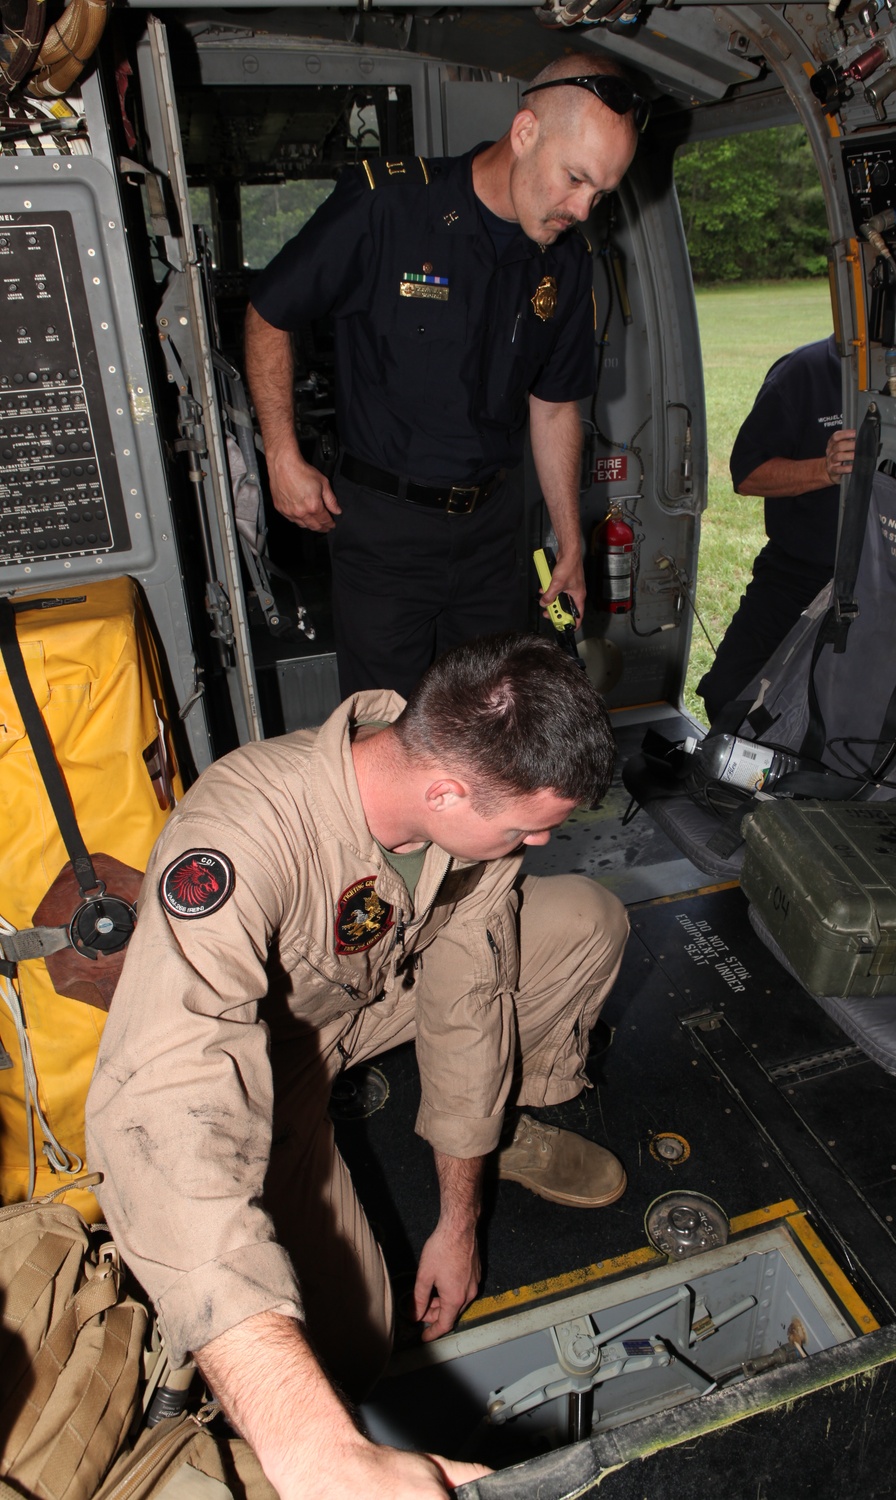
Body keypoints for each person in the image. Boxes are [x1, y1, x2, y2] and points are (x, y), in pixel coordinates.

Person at [86, 632, 630, 1500]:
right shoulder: (242, 830)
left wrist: (460, 1219)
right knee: (354, 1341)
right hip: (267, 1056)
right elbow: (162, 1103)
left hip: (375, 996)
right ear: (446, 790)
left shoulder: (459, 812)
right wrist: (313, 1443)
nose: (530, 846)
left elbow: (467, 1001)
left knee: (585, 921)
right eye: (525, 827)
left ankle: (500, 1128)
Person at [244, 56, 644, 700]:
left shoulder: (568, 261)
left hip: (489, 532)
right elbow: (269, 311)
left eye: (600, 193)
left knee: (490, 723)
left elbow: (554, 408)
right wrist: (281, 454)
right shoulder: (389, 205)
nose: (582, 208)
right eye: (575, 180)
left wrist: (569, 541)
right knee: (388, 732)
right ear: (524, 133)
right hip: (383, 531)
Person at [697, 333, 856, 724]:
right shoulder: (805, 372)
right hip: (797, 572)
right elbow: (747, 473)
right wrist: (824, 469)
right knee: (727, 694)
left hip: (882, 579)